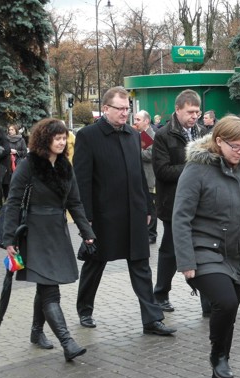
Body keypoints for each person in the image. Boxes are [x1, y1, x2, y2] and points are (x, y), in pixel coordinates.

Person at [172, 115, 240, 378]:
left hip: (235, 253)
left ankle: (220, 374)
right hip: (203, 250)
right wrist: (186, 261)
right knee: (225, 302)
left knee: (229, 313)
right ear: (219, 142)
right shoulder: (197, 169)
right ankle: (219, 359)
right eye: (235, 147)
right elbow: (181, 217)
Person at [73, 86, 176, 336]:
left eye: (127, 109)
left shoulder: (132, 134)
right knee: (95, 264)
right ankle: (84, 309)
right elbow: (81, 180)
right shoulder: (88, 136)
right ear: (106, 109)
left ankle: (151, 319)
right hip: (103, 216)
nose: (124, 113)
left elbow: (139, 174)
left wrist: (148, 206)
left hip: (134, 213)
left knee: (141, 265)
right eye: (119, 109)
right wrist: (85, 219)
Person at [3, 118, 95, 361]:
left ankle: (36, 332)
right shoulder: (29, 165)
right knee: (50, 289)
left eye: (64, 138)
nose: (62, 142)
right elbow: (13, 201)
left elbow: (75, 202)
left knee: (46, 286)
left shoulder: (65, 166)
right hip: (34, 232)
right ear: (45, 140)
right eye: (57, 138)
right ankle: (67, 342)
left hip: (57, 231)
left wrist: (87, 233)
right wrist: (9, 239)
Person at [152, 89, 208, 313]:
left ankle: (208, 299)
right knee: (170, 250)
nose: (194, 116)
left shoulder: (203, 132)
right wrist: (193, 166)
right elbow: (162, 170)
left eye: (197, 111)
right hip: (173, 203)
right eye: (190, 112)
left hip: (201, 203)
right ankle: (161, 293)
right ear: (178, 110)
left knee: (204, 248)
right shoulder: (164, 135)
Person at [134, 110, 158, 244]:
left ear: (146, 121)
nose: (135, 122)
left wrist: (135, 151)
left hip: (149, 178)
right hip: (138, 176)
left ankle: (151, 234)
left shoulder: (153, 136)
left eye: (138, 119)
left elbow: (150, 155)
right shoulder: (137, 135)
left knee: (151, 207)